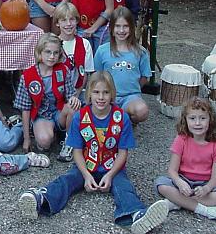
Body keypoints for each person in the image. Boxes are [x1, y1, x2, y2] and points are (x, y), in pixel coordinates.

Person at [18, 71, 169, 234]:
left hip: (113, 168)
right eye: (96, 92)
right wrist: (87, 175)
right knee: (67, 180)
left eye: (106, 92)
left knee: (124, 187)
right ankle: (41, 198)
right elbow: (76, 151)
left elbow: (123, 153)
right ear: (89, 94)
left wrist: (110, 175)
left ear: (112, 94)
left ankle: (136, 214)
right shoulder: (80, 117)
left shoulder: (121, 117)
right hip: (86, 165)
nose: (101, 97)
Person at [154, 97, 216, 222]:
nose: (197, 123)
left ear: (210, 120)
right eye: (192, 118)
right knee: (161, 184)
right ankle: (206, 210)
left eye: (202, 118)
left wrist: (206, 189)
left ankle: (178, 202)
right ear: (185, 120)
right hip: (183, 182)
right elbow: (172, 170)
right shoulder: (181, 139)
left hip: (205, 184)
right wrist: (180, 183)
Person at [13, 33, 80, 161]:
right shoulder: (28, 75)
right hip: (41, 114)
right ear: (40, 53)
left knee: (73, 106)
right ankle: (51, 133)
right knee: (44, 142)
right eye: (48, 52)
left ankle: (69, 141)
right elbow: (25, 109)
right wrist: (26, 138)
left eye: (55, 53)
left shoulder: (63, 70)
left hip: (59, 111)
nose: (52, 56)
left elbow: (70, 94)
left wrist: (73, 98)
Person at [94, 7, 150, 125]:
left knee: (142, 111)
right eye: (118, 26)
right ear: (112, 29)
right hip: (107, 97)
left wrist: (133, 88)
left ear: (131, 28)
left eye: (125, 26)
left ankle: (125, 118)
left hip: (130, 97)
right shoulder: (102, 51)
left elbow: (145, 77)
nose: (121, 30)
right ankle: (116, 118)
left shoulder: (141, 52)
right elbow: (96, 76)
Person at [53, 2, 94, 101]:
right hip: (56, 94)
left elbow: (85, 73)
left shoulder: (85, 44)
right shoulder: (53, 44)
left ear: (76, 21)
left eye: (72, 19)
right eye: (64, 20)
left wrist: (75, 96)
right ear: (57, 23)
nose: (68, 24)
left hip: (78, 92)